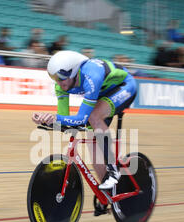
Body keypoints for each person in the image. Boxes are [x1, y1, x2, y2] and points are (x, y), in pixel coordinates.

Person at [31, 51, 137, 212]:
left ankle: (113, 170)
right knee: (92, 142)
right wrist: (46, 120)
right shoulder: (62, 85)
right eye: (54, 79)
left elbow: (80, 118)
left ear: (73, 71)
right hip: (101, 95)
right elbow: (64, 121)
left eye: (60, 78)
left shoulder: (91, 74)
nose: (58, 83)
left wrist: (56, 119)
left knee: (93, 117)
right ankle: (107, 194)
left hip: (124, 86)